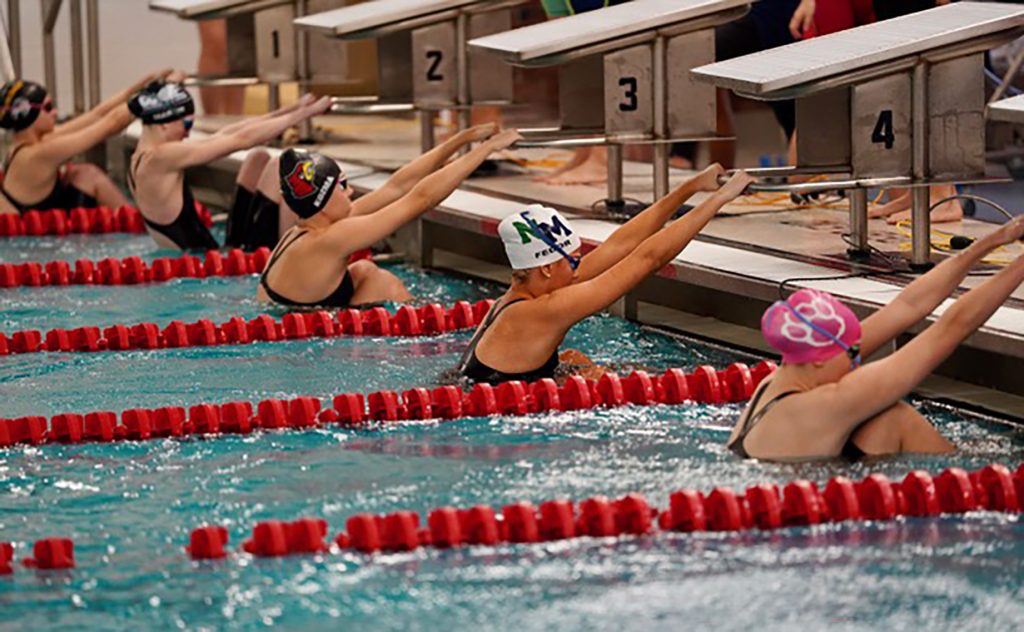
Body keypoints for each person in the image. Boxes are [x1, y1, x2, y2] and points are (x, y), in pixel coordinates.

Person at [727, 215, 1024, 461]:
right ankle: (971, 468)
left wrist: (994, 240)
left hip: (803, 480)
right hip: (806, 505)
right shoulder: (827, 404)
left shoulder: (778, 381)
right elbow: (952, 328)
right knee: (898, 416)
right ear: (818, 360)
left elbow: (908, 306)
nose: (856, 359)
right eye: (851, 353)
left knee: (884, 420)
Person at [458, 165, 754, 383]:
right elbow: (648, 259)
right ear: (546, 267)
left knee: (580, 363)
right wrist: (719, 199)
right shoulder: (540, 311)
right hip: (491, 413)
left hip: (493, 390)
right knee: (622, 377)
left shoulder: (522, 295)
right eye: (573, 262)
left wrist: (691, 187)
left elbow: (620, 245)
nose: (579, 268)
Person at [258, 125, 521, 307]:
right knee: (379, 281)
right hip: (301, 341)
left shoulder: (310, 228)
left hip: (294, 323)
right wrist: (486, 150)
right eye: (342, 185)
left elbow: (397, 186)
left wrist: (463, 139)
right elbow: (420, 200)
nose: (350, 192)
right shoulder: (331, 238)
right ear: (323, 201)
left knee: (365, 271)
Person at [128, 77, 331, 252]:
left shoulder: (142, 157)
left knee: (257, 158)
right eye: (187, 123)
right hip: (209, 267)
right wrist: (304, 114)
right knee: (280, 166)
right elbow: (242, 139)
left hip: (215, 257)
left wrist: (294, 108)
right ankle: (290, 254)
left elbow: (227, 134)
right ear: (164, 123)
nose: (188, 133)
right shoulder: (161, 157)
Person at [0, 73, 163, 213]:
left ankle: (135, 220)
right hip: (32, 231)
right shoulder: (39, 154)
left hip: (38, 215)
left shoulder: (29, 143)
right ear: (28, 114)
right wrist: (153, 100)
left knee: (83, 174)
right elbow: (110, 126)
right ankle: (137, 224)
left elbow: (97, 115)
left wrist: (141, 86)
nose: (55, 112)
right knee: (91, 176)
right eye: (48, 107)